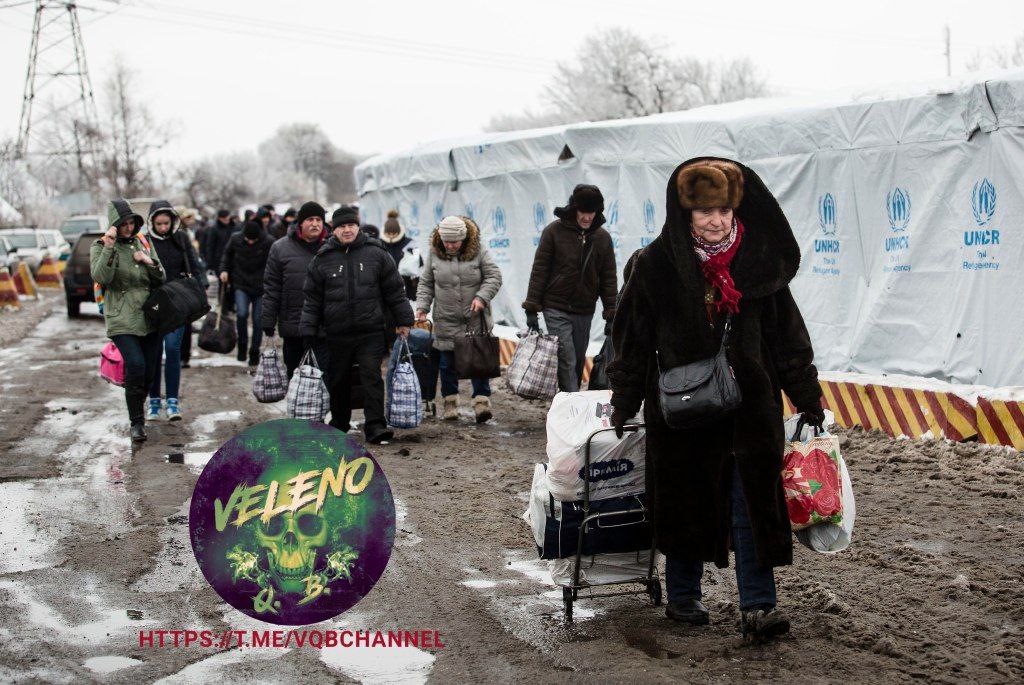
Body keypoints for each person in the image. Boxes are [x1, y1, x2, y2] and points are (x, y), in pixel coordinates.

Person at [608, 157, 826, 640]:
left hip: (751, 406)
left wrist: (807, 394)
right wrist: (622, 401)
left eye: (725, 209)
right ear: (685, 213)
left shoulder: (757, 266)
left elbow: (787, 338)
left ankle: (759, 607)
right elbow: (632, 340)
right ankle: (684, 598)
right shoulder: (654, 266)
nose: (716, 220)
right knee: (686, 496)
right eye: (705, 211)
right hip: (681, 410)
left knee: (752, 500)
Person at [299, 206, 414, 444]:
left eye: (351, 225)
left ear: (357, 226)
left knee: (371, 376)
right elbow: (312, 298)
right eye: (342, 226)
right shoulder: (323, 258)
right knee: (338, 379)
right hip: (337, 332)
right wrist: (308, 329)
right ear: (334, 230)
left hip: (370, 330)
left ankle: (375, 426)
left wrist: (404, 320)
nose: (347, 229)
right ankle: (339, 423)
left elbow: (394, 290)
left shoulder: (376, 253)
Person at [523, 184, 617, 392]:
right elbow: (540, 271)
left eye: (591, 212)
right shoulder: (553, 232)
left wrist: (612, 314)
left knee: (577, 359)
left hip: (584, 310)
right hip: (555, 306)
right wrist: (532, 307)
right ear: (574, 209)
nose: (586, 217)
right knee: (567, 357)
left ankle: (565, 399)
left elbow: (608, 279)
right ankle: (573, 406)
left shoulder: (602, 239)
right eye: (583, 212)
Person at [90, 199, 166, 443]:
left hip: (148, 315)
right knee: (135, 365)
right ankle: (137, 422)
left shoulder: (143, 242)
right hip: (121, 318)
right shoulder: (100, 246)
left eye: (132, 223)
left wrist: (148, 261)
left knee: (149, 373)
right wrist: (110, 245)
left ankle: (136, 404)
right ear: (114, 225)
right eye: (124, 223)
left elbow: (161, 276)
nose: (129, 227)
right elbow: (102, 276)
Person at [415, 216, 502, 423]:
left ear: (464, 239)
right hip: (446, 319)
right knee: (447, 364)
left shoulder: (479, 251)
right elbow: (426, 283)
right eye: (446, 241)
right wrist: (422, 307)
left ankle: (481, 402)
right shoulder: (434, 254)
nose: (450, 245)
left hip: (474, 318)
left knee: (478, 362)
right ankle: (450, 403)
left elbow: (494, 277)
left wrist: (481, 297)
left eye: (454, 242)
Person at [144, 201, 205, 421]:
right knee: (153, 353)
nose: (162, 228)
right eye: (158, 223)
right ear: (151, 222)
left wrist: (200, 294)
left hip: (177, 302)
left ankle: (172, 401)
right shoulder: (145, 242)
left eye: (166, 223)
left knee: (172, 349)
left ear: (172, 222)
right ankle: (153, 402)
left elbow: (194, 266)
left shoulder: (180, 239)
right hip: (153, 304)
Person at [262, 201, 329, 379]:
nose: (315, 224)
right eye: (310, 219)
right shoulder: (280, 248)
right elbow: (272, 286)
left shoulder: (333, 247)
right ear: (300, 223)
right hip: (294, 325)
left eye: (318, 220)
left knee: (325, 378)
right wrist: (268, 319)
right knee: (296, 377)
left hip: (326, 326)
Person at [220, 220, 274, 369]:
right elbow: (226, 255)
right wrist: (224, 270)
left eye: (253, 240)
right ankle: (242, 344)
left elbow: (275, 262)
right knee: (242, 314)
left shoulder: (268, 241)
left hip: (260, 286)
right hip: (241, 284)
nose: (250, 242)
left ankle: (254, 351)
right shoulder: (235, 238)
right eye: (248, 239)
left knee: (258, 320)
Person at [173, 206, 206, 368]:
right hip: (176, 284)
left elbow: (193, 261)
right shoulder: (178, 235)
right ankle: (179, 355)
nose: (190, 221)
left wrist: (200, 283)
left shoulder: (185, 235)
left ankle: (183, 356)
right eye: (186, 218)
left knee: (185, 323)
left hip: (185, 283)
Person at [382, 208, 419, 299]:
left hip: (406, 284)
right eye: (388, 233)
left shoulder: (408, 243)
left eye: (394, 233)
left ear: (398, 232)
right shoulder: (380, 244)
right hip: (386, 283)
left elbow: (418, 263)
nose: (391, 236)